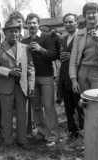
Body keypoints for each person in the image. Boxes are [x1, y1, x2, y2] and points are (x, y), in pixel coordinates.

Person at [0, 19, 35, 149]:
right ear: (5, 32)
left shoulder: (25, 48)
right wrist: (9, 72)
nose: (14, 34)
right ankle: (8, 141)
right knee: (7, 114)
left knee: (22, 114)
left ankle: (22, 140)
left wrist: (31, 85)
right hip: (5, 87)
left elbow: (31, 68)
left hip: (22, 86)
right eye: (11, 31)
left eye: (16, 31)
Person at [21, 13, 59, 147]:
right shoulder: (24, 41)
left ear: (39, 24)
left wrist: (40, 49)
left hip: (46, 76)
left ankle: (53, 136)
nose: (32, 25)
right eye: (29, 23)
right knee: (36, 107)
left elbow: (54, 55)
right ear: (26, 24)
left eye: (34, 23)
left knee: (49, 106)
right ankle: (41, 132)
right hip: (31, 79)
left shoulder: (46, 37)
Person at [59, 13, 84, 141]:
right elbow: (62, 56)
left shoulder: (81, 36)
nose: (68, 24)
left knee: (80, 107)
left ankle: (84, 133)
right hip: (64, 78)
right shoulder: (64, 38)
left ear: (77, 23)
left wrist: (73, 57)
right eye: (66, 22)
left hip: (77, 79)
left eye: (71, 22)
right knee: (68, 108)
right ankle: (72, 132)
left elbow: (86, 55)